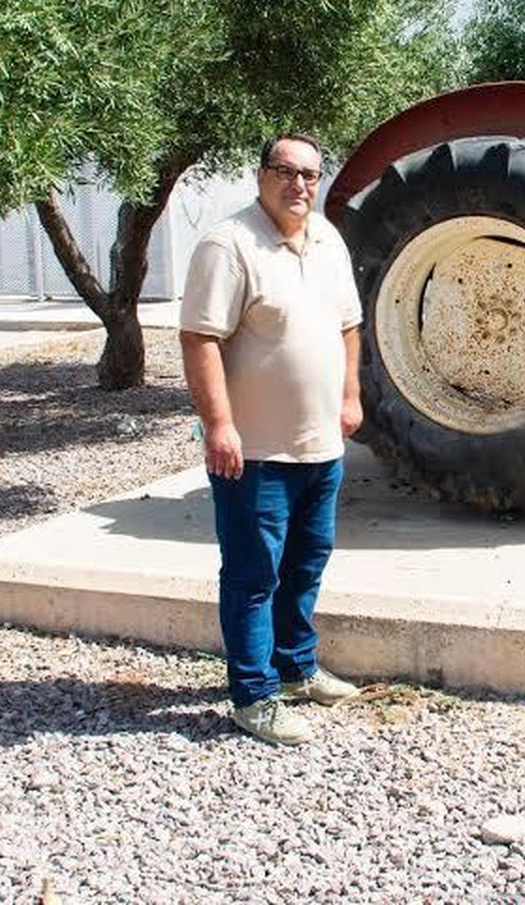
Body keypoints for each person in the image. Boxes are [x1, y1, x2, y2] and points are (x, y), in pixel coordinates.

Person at [178, 133, 365, 746]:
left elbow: (348, 325)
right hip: (254, 453)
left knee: (306, 564)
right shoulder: (227, 245)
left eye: (311, 173)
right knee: (254, 573)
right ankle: (252, 696)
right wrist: (219, 424)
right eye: (286, 171)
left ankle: (295, 668)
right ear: (261, 175)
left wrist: (350, 396)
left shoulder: (328, 240)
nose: (300, 185)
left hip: (321, 449)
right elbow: (200, 339)